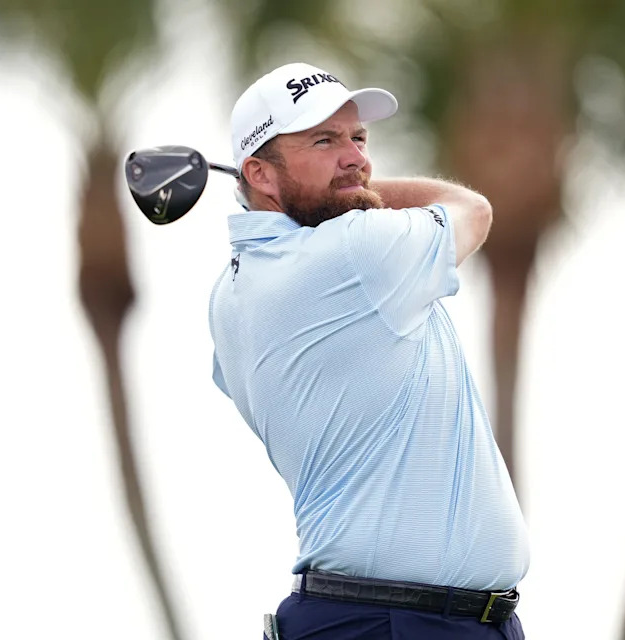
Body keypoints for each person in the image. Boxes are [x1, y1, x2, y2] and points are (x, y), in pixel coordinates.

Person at [209, 62, 529, 640]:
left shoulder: (229, 294)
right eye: (323, 141)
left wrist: (342, 188)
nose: (355, 157)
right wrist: (363, 195)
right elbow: (472, 209)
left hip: (375, 617)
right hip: (400, 622)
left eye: (358, 138)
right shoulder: (355, 253)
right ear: (258, 171)